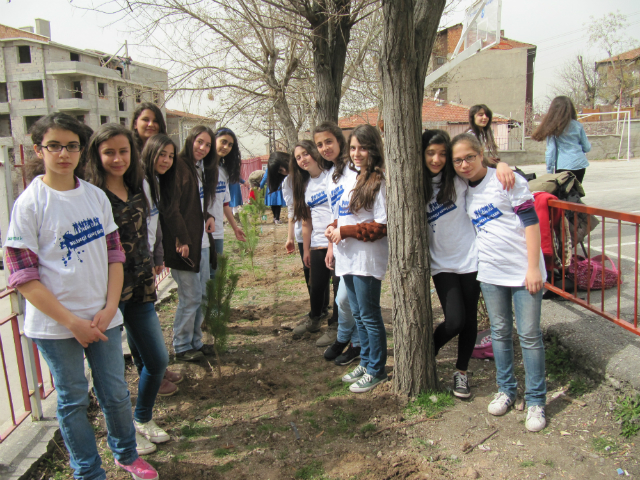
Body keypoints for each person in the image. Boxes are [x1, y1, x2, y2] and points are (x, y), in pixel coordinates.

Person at [3, 113, 158, 480]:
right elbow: (23, 277)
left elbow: (114, 255)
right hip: (57, 326)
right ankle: (87, 471)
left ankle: (126, 453)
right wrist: (71, 322)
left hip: (102, 317)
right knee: (73, 399)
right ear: (38, 149)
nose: (63, 154)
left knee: (116, 394)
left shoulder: (94, 197)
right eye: (54, 146)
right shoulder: (29, 205)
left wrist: (108, 307)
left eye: (71, 146)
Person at [451, 132, 547, 432]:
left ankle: (536, 402)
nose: (464, 164)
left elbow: (532, 224)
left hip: (522, 272)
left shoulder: (508, 180)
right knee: (501, 333)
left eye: (469, 157)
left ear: (481, 154)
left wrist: (533, 268)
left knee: (529, 336)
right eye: (458, 160)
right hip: (490, 273)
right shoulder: (464, 189)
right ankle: (506, 390)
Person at [85, 124, 171, 456]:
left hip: (140, 285)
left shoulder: (138, 187)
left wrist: (155, 259)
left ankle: (142, 417)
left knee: (157, 359)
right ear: (97, 155)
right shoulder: (91, 194)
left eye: (124, 151)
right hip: (105, 292)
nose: (117, 158)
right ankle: (123, 433)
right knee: (111, 377)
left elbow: (149, 227)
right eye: (109, 152)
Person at [422, 129, 514, 398]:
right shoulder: (416, 183)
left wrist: (503, 164)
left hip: (471, 259)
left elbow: (480, 168)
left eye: (442, 154)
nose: (437, 159)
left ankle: (461, 372)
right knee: (454, 321)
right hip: (441, 264)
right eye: (430, 153)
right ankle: (427, 351)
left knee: (470, 319)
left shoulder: (458, 180)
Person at [326, 124, 389, 393]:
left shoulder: (380, 181)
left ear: (373, 148)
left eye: (362, 147)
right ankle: (365, 362)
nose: (356, 153)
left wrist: (345, 231)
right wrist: (333, 227)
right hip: (347, 257)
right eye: (353, 148)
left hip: (366, 259)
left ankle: (377, 369)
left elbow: (380, 227)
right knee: (359, 317)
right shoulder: (353, 178)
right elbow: (345, 214)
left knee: (370, 315)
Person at [159, 126, 217, 361]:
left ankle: (196, 341)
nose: (202, 148)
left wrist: (208, 216)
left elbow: (194, 204)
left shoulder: (198, 169)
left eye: (207, 145)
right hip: (184, 244)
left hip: (200, 241)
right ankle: (182, 345)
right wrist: (181, 238)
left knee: (201, 295)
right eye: (199, 142)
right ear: (190, 140)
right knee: (190, 296)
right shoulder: (178, 166)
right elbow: (171, 208)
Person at [140, 134, 184, 396]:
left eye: (170, 155)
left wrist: (157, 257)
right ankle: (152, 373)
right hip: (131, 264)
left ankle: (156, 369)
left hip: (146, 260)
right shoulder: (140, 182)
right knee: (141, 325)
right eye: (162, 155)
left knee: (148, 317)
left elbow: (154, 224)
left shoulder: (156, 182)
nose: (166, 160)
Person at [313, 121, 360, 363]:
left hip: (360, 245)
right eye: (319, 144)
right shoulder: (332, 175)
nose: (324, 147)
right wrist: (330, 246)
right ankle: (346, 338)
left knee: (349, 301)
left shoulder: (355, 168)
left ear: (340, 142)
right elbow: (337, 213)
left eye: (328, 141)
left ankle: (355, 343)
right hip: (340, 246)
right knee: (344, 300)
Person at [267, 152, 331, 323]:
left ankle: (324, 308)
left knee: (324, 273)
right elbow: (291, 211)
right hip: (303, 233)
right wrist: (289, 238)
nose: (285, 171)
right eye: (280, 171)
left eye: (284, 166)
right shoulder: (287, 183)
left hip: (321, 232)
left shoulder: (312, 175)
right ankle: (318, 309)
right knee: (310, 272)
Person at [289, 140, 333, 338]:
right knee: (316, 286)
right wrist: (306, 249)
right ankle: (314, 320)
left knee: (340, 288)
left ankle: (336, 327)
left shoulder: (332, 176)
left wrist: (332, 241)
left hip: (338, 240)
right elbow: (306, 222)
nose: (302, 160)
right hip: (316, 243)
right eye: (298, 157)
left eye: (305, 154)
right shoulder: (305, 185)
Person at [209, 127, 246, 279]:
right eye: (223, 142)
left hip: (218, 231)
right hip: (203, 232)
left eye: (230, 145)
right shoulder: (201, 169)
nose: (226, 147)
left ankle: (215, 304)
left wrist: (235, 228)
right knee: (205, 278)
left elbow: (224, 204)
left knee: (215, 276)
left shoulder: (223, 171)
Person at [532, 96, 591, 183]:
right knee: (576, 194)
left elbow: (551, 151)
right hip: (580, 164)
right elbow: (587, 147)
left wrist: (549, 172)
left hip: (563, 166)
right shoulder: (577, 125)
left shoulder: (553, 128)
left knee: (562, 195)